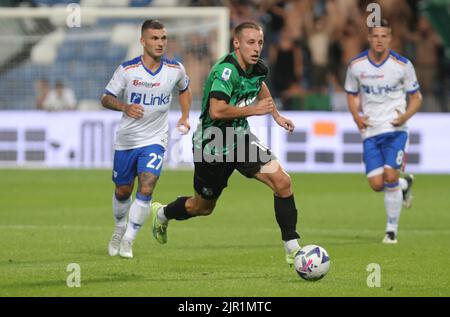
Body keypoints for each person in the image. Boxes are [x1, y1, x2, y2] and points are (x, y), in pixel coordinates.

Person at [150, 21, 302, 265]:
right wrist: (255, 110)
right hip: (213, 144)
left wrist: (276, 115)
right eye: (251, 42)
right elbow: (217, 110)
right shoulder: (225, 71)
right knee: (202, 207)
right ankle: (162, 213)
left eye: (260, 42)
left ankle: (293, 247)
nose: (256, 48)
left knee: (283, 182)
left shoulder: (257, 67)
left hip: (240, 140)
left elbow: (259, 84)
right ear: (237, 43)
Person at [101, 19, 192, 258]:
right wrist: (124, 107)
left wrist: (184, 116)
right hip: (127, 140)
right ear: (143, 41)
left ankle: (129, 240)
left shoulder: (175, 70)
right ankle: (120, 228)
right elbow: (106, 98)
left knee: (148, 184)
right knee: (123, 190)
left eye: (163, 38)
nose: (160, 43)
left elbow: (184, 89)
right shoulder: (128, 70)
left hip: (155, 139)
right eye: (154, 38)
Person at [344, 19, 422, 244]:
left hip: (396, 129)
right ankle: (404, 185)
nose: (379, 40)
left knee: (389, 177)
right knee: (377, 184)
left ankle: (391, 230)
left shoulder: (402, 65)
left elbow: (417, 97)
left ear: (390, 38)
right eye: (375, 36)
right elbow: (351, 93)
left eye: (384, 36)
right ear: (369, 38)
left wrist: (405, 117)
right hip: (370, 131)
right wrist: (356, 116)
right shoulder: (356, 65)